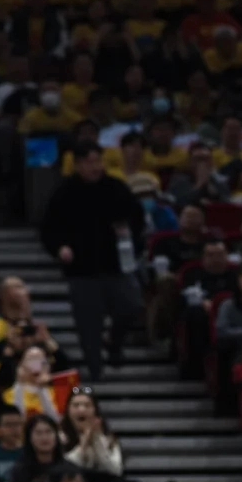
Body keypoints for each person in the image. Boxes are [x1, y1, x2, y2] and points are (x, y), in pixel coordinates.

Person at [39, 144, 146, 376]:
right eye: (89, 162)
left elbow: (137, 217)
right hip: (82, 268)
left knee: (131, 306)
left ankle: (114, 341)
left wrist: (127, 229)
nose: (95, 167)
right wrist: (59, 248)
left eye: (98, 161)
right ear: (77, 165)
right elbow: (48, 229)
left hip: (116, 264)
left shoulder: (116, 188)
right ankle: (95, 369)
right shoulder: (64, 192)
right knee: (88, 320)